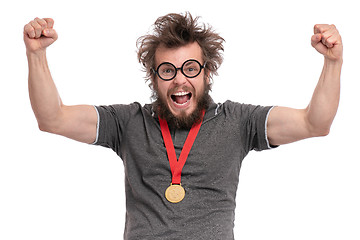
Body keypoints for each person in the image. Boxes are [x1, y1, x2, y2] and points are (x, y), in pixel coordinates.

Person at [24, 12, 342, 240]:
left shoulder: (238, 122)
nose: (179, 79)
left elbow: (315, 123)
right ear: (154, 78)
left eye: (190, 68)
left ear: (206, 73)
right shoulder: (128, 123)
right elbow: (52, 118)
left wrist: (332, 63)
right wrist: (36, 55)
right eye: (167, 70)